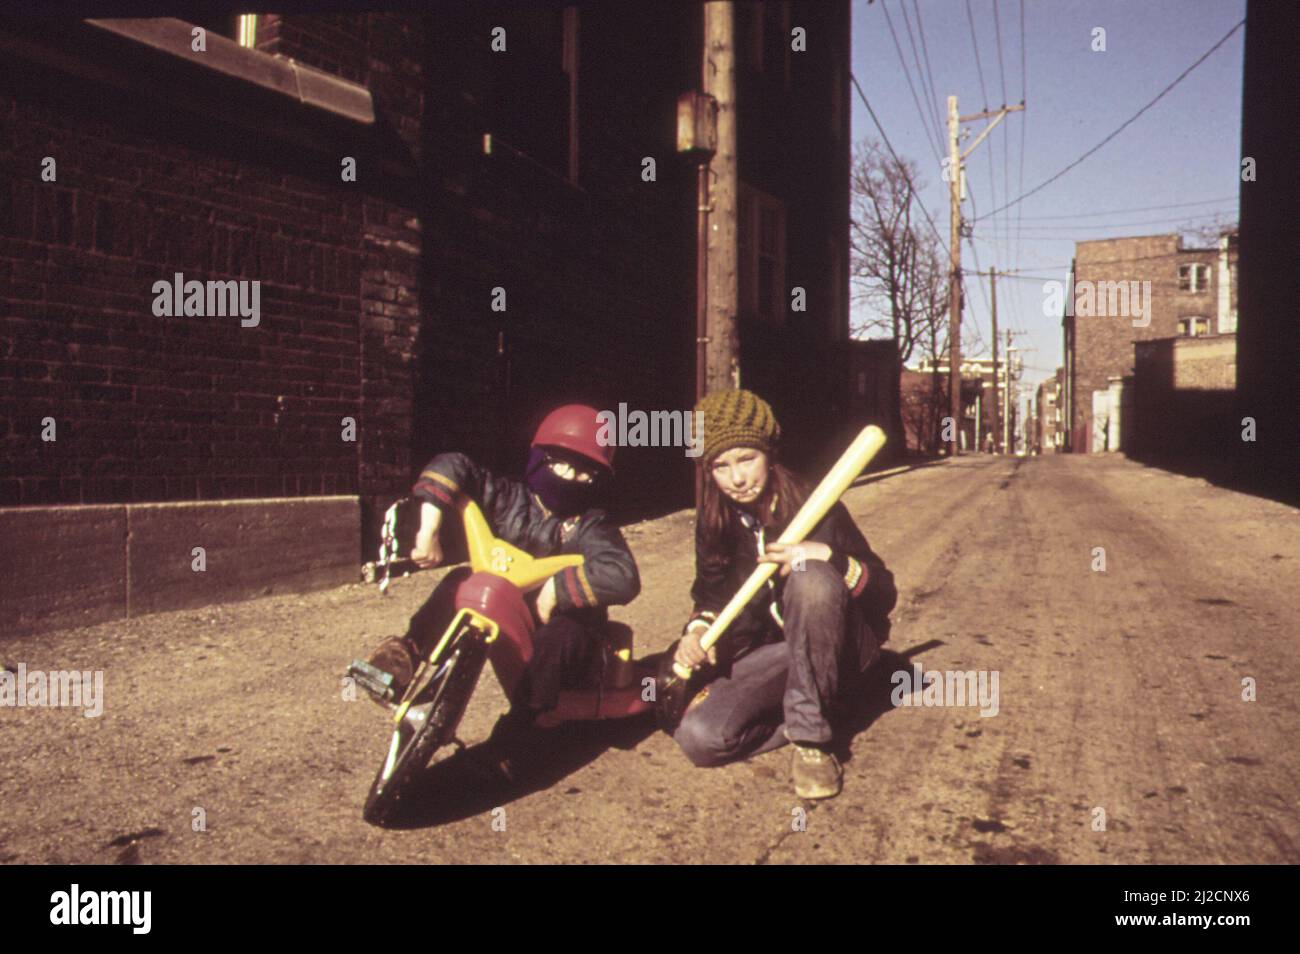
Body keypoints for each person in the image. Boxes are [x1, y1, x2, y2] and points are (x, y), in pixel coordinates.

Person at [366, 404, 641, 776]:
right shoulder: (508, 496)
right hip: (508, 607)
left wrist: (558, 590)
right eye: (562, 464)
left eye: (584, 472)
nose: (571, 477)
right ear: (540, 458)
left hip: (557, 622)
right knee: (461, 582)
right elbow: (453, 465)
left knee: (559, 640)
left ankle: (527, 726)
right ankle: (404, 656)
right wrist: (428, 530)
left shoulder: (591, 524)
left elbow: (622, 573)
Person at [671, 389, 897, 799]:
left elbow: (884, 593)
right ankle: (822, 706)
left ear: (769, 453)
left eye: (746, 459)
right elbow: (711, 597)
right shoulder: (715, 520)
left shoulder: (815, 503)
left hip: (844, 647)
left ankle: (812, 741)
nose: (736, 478)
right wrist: (698, 631)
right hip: (778, 653)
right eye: (721, 466)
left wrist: (827, 556)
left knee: (811, 576)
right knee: (699, 738)